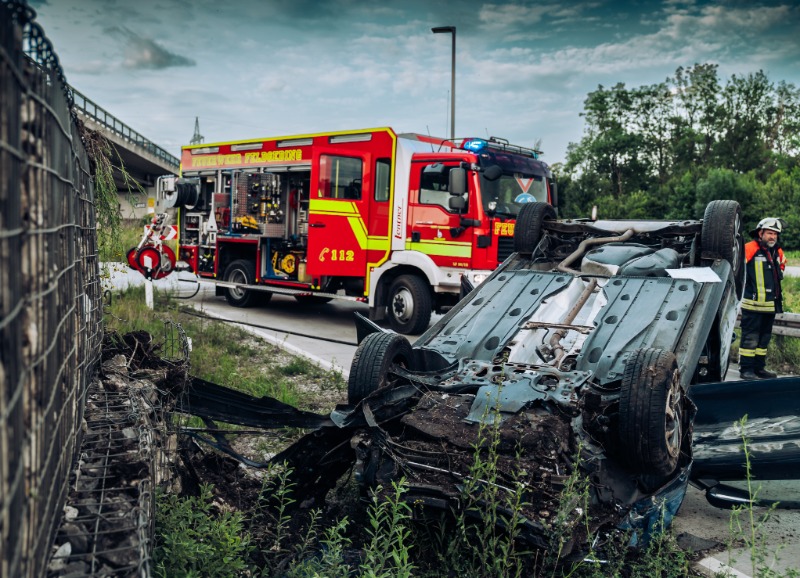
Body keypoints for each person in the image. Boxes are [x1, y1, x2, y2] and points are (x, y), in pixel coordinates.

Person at [739, 217, 787, 380]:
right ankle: (746, 369)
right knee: (750, 339)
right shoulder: (749, 248)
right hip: (752, 305)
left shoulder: (777, 251)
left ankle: (759, 368)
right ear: (761, 233)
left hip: (769, 306)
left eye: (775, 234)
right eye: (769, 233)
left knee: (764, 339)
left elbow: (780, 270)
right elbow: (737, 270)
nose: (772, 237)